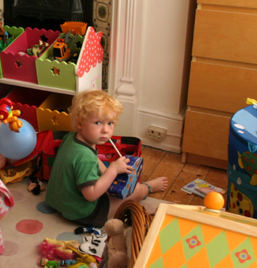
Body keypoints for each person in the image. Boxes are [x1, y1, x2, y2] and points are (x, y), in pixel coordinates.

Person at [45, 90, 168, 226]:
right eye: (98, 123)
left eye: (110, 123)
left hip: (58, 201)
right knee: (136, 190)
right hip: (85, 213)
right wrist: (112, 171)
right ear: (79, 123)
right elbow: (91, 195)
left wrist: (107, 174)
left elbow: (93, 159)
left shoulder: (71, 138)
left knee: (108, 181)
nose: (106, 130)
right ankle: (148, 187)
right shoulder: (85, 158)